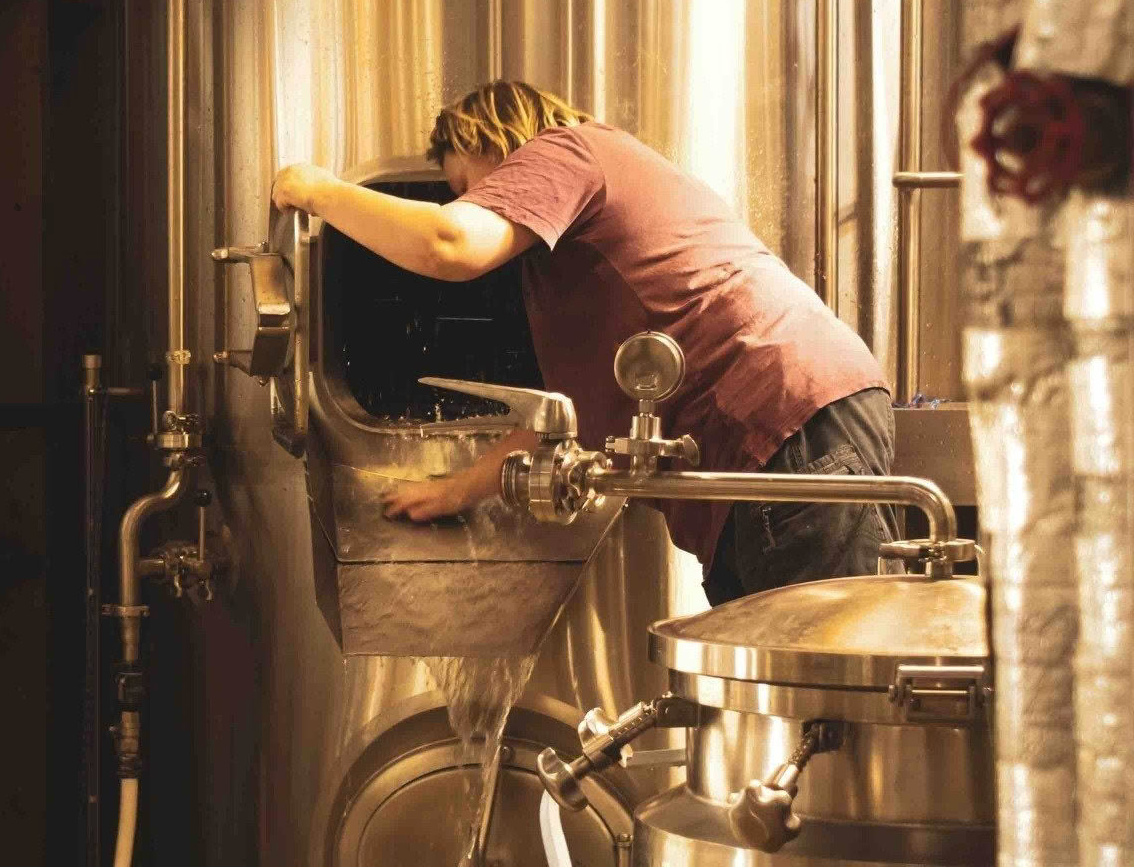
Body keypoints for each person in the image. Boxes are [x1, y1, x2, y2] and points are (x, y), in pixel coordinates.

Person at [270, 80, 896, 605]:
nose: (469, 201)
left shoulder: (564, 151)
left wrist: (317, 191)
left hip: (784, 423)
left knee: (822, 709)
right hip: (783, 431)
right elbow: (567, 417)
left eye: (466, 184)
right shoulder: (578, 257)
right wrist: (455, 490)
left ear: (496, 140)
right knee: (786, 706)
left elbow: (449, 245)